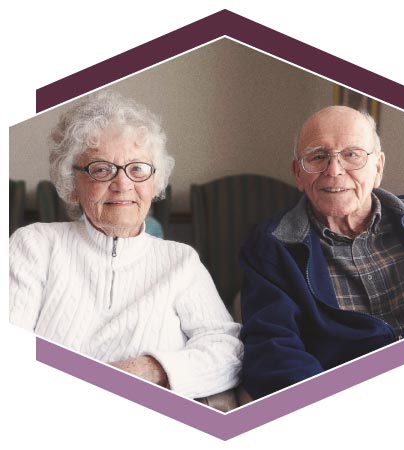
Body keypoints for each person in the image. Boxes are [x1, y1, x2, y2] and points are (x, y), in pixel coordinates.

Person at [10, 90, 243, 401]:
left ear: (153, 182)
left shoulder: (180, 261)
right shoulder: (34, 246)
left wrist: (149, 369)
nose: (122, 184)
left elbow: (226, 351)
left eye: (137, 169)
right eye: (101, 169)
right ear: (72, 183)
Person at [239, 105, 404, 400]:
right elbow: (273, 350)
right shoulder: (270, 246)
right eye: (317, 156)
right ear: (298, 173)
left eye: (352, 154)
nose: (334, 170)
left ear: (378, 168)